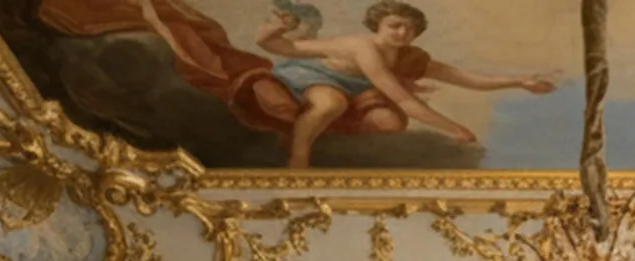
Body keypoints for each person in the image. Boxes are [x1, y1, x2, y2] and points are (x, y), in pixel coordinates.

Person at [49, 0, 555, 168]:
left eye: (407, 27)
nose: (400, 33)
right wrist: (452, 128)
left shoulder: (414, 56)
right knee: (330, 100)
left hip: (360, 92)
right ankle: (299, 157)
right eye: (393, 25)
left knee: (385, 120)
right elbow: (286, 53)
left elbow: (466, 76)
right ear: (378, 25)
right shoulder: (361, 48)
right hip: (310, 76)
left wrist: (521, 80)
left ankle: (329, 143)